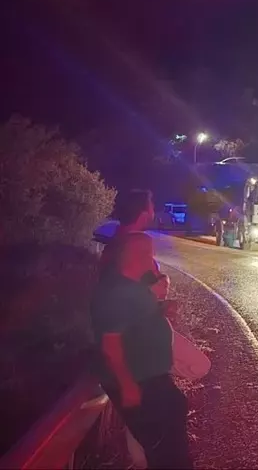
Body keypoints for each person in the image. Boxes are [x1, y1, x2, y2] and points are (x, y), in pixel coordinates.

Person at [92, 190, 192, 469]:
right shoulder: (117, 288)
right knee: (164, 449)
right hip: (139, 373)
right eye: (148, 256)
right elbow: (111, 341)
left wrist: (158, 306)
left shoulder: (123, 270)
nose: (153, 262)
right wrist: (127, 385)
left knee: (169, 422)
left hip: (147, 369)